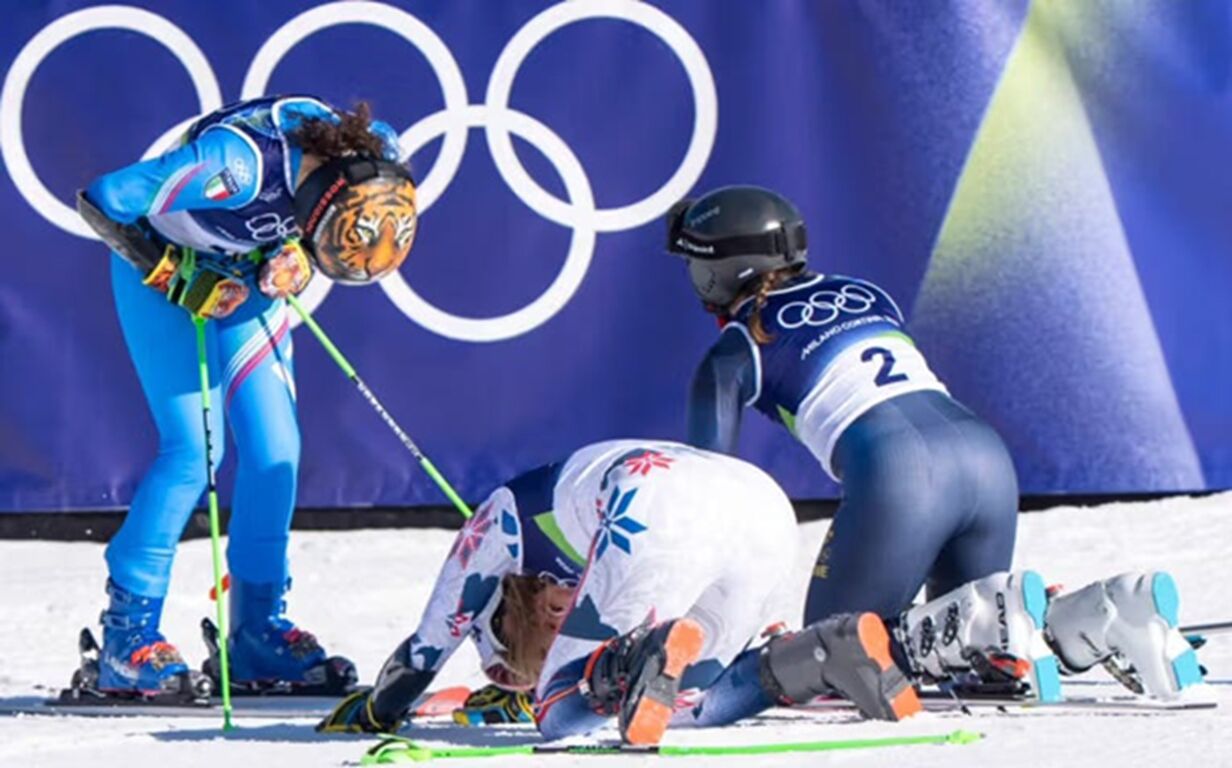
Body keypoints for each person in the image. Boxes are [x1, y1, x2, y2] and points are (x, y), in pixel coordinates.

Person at [667, 185, 1204, 702]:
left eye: (693, 264)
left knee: (832, 656)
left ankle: (1024, 618)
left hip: (899, 472)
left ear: (719, 271)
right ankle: (1104, 614)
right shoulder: (865, 291)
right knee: (982, 638)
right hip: (985, 458)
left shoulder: (735, 351)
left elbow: (712, 491)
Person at [77, 95, 419, 698]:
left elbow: (323, 237)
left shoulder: (375, 154)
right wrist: (178, 276)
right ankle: (127, 639)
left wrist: (291, 259)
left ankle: (256, 634)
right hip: (162, 279)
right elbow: (105, 197)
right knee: (194, 453)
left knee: (275, 453)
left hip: (243, 279)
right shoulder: (235, 166)